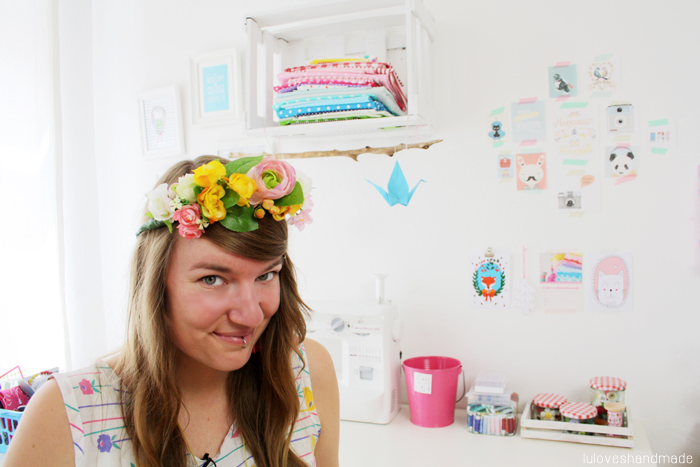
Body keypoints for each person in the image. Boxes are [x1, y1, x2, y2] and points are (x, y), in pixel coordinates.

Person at [4, 155, 339, 467]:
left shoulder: (306, 371)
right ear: (156, 285)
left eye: (265, 276)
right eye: (212, 279)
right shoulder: (67, 413)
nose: (250, 316)